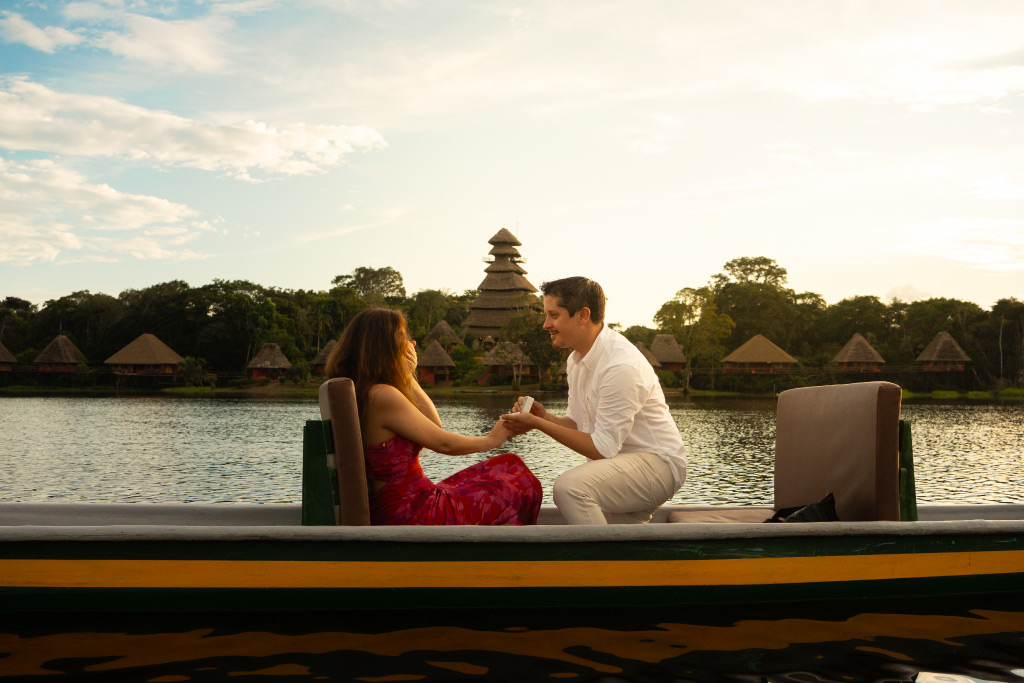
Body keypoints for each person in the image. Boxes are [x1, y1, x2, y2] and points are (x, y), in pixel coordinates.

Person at [325, 308, 541, 526]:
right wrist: (491, 440)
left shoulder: (369, 392)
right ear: (387, 347)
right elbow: (444, 443)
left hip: (408, 502)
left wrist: (408, 376)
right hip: (415, 511)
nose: (411, 344)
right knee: (521, 482)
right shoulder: (382, 395)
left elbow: (433, 426)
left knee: (509, 464)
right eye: (403, 337)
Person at [502, 276, 686, 524]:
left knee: (571, 488)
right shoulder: (577, 360)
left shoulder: (620, 366)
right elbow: (580, 425)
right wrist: (543, 417)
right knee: (621, 545)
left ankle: (598, 563)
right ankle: (609, 559)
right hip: (623, 467)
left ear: (582, 315)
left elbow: (602, 448)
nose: (546, 325)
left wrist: (537, 424)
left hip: (658, 467)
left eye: (553, 315)